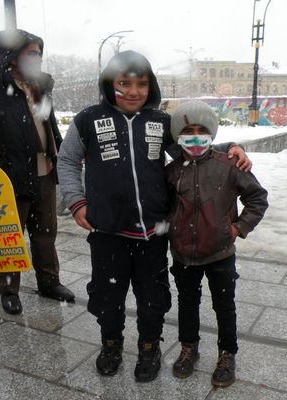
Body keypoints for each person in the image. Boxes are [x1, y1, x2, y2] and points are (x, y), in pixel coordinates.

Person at [57, 50, 252, 382]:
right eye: (124, 83)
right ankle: (111, 344)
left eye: (141, 84)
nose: (133, 91)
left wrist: (232, 147)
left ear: (151, 86)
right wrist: (77, 202)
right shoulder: (87, 119)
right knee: (108, 296)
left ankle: (149, 347)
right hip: (107, 232)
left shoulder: (160, 122)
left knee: (152, 297)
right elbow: (67, 160)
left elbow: (194, 149)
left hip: (153, 232)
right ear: (109, 84)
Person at [0, 29, 75, 314]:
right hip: (8, 177)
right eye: (31, 53)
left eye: (38, 53)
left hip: (44, 172)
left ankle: (50, 282)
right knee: (9, 235)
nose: (37, 59)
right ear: (11, 56)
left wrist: (63, 154)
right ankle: (9, 289)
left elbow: (50, 127)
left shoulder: (39, 87)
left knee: (46, 233)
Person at [167, 100, 268, 387]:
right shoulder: (174, 170)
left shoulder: (230, 165)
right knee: (187, 302)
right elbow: (166, 207)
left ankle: (227, 354)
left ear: (212, 132)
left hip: (220, 252)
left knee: (224, 305)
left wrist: (237, 228)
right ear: (178, 135)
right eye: (188, 131)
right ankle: (189, 347)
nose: (195, 136)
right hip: (184, 254)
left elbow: (257, 198)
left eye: (202, 130)